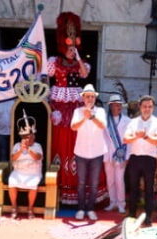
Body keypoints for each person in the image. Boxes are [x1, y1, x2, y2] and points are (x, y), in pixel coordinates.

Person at [48, 12, 95, 205]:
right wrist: (52, 108)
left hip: (75, 105)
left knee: (76, 140)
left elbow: (84, 74)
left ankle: (77, 188)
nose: (70, 51)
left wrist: (79, 57)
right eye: (68, 48)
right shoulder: (54, 62)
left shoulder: (80, 65)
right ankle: (59, 186)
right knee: (61, 141)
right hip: (60, 106)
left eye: (73, 48)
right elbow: (45, 78)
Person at [123, 95, 157, 226]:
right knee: (133, 187)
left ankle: (148, 217)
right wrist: (136, 136)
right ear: (140, 107)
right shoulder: (133, 122)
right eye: (145, 106)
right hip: (135, 157)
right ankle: (131, 215)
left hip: (149, 158)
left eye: (150, 106)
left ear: (153, 108)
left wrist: (145, 136)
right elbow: (126, 139)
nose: (147, 109)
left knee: (149, 189)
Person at [70, 84, 107, 221]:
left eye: (92, 96)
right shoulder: (77, 111)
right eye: (87, 96)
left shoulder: (100, 111)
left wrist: (91, 117)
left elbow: (103, 126)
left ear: (95, 98)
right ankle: (81, 208)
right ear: (83, 98)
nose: (90, 99)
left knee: (94, 183)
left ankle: (90, 208)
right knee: (81, 182)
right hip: (81, 152)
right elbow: (73, 127)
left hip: (97, 152)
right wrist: (84, 117)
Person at [8, 114, 43, 219]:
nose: (29, 139)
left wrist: (28, 149)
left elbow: (37, 157)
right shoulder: (17, 146)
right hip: (18, 172)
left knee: (32, 184)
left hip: (33, 173)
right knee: (12, 181)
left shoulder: (37, 146)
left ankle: (30, 209)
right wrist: (21, 150)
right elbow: (13, 158)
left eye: (31, 136)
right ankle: (14, 207)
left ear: (34, 137)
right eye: (26, 137)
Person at [101, 94, 130, 214]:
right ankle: (112, 202)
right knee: (110, 180)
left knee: (119, 180)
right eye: (115, 105)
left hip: (121, 155)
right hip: (108, 155)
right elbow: (102, 138)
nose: (118, 107)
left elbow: (129, 140)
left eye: (119, 105)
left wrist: (127, 157)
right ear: (111, 106)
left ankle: (121, 203)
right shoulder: (105, 121)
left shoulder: (127, 121)